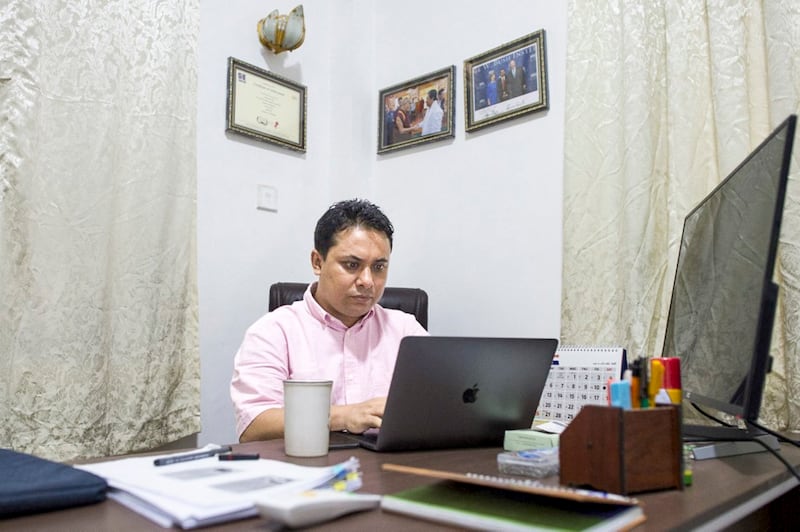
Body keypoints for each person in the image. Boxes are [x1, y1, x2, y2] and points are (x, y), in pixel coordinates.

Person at [231, 199, 428, 442]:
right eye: (352, 265)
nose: (367, 281)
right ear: (317, 262)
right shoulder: (273, 332)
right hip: (306, 468)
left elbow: (443, 404)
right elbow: (254, 426)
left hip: (390, 469)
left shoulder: (405, 330)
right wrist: (345, 416)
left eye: (378, 267)